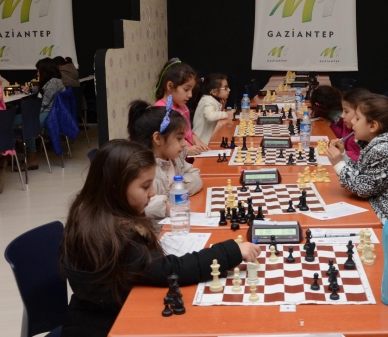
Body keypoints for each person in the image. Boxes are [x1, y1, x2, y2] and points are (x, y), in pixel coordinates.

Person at [59, 139, 260, 337]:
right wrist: (231, 251)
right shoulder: (113, 237)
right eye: (145, 186)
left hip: (102, 314)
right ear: (116, 188)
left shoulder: (94, 214)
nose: (153, 193)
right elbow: (170, 270)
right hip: (108, 327)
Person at [326, 93, 388, 224]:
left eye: (357, 118)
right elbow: (362, 174)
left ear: (373, 126)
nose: (352, 122)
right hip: (378, 207)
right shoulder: (377, 145)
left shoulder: (382, 150)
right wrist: (343, 155)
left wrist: (338, 163)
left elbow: (362, 188)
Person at [128, 97, 202, 222]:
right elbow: (139, 203)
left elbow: (195, 174)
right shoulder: (143, 168)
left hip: (173, 221)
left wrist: (180, 186)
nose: (184, 144)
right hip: (155, 228)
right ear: (158, 138)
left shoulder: (175, 159)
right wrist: (167, 207)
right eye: (179, 138)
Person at [15, 58, 65, 170]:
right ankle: (12, 155)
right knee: (13, 120)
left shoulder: (54, 82)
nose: (37, 73)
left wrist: (31, 113)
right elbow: (38, 90)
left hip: (51, 114)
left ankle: (32, 157)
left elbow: (44, 103)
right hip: (46, 111)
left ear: (45, 70)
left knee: (28, 122)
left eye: (38, 70)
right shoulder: (49, 81)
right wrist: (28, 90)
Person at [154, 58, 209, 156]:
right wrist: (186, 151)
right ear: (170, 86)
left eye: (191, 90)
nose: (190, 95)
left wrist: (195, 138)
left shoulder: (183, 107)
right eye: (186, 89)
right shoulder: (160, 110)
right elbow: (162, 147)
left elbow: (187, 132)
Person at [328, 88, 371, 162]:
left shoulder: (363, 135)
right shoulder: (347, 125)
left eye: (346, 112)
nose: (342, 115)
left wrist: (343, 153)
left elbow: (363, 162)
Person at [192, 74, 230, 144]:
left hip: (207, 140)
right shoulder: (207, 100)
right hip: (201, 142)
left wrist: (222, 109)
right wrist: (227, 114)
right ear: (214, 92)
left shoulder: (211, 99)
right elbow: (210, 116)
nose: (229, 90)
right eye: (225, 88)